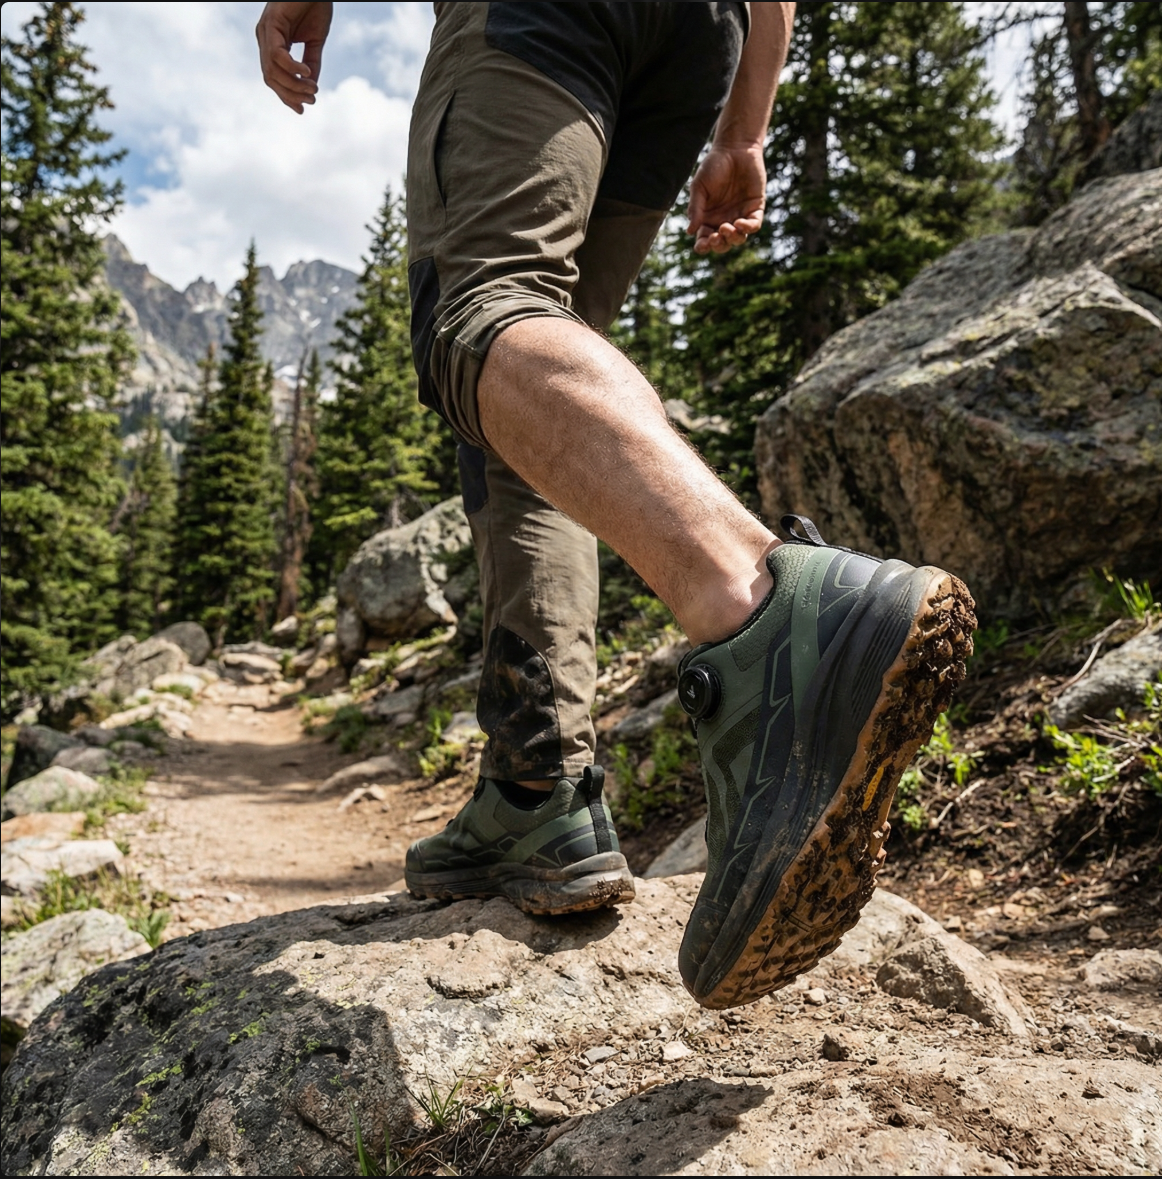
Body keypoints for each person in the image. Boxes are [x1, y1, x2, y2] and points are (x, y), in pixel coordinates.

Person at [257, 1, 975, 1010]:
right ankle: (534, 787)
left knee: (479, 315)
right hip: (698, 37)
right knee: (532, 402)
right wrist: (743, 131)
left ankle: (764, 603)